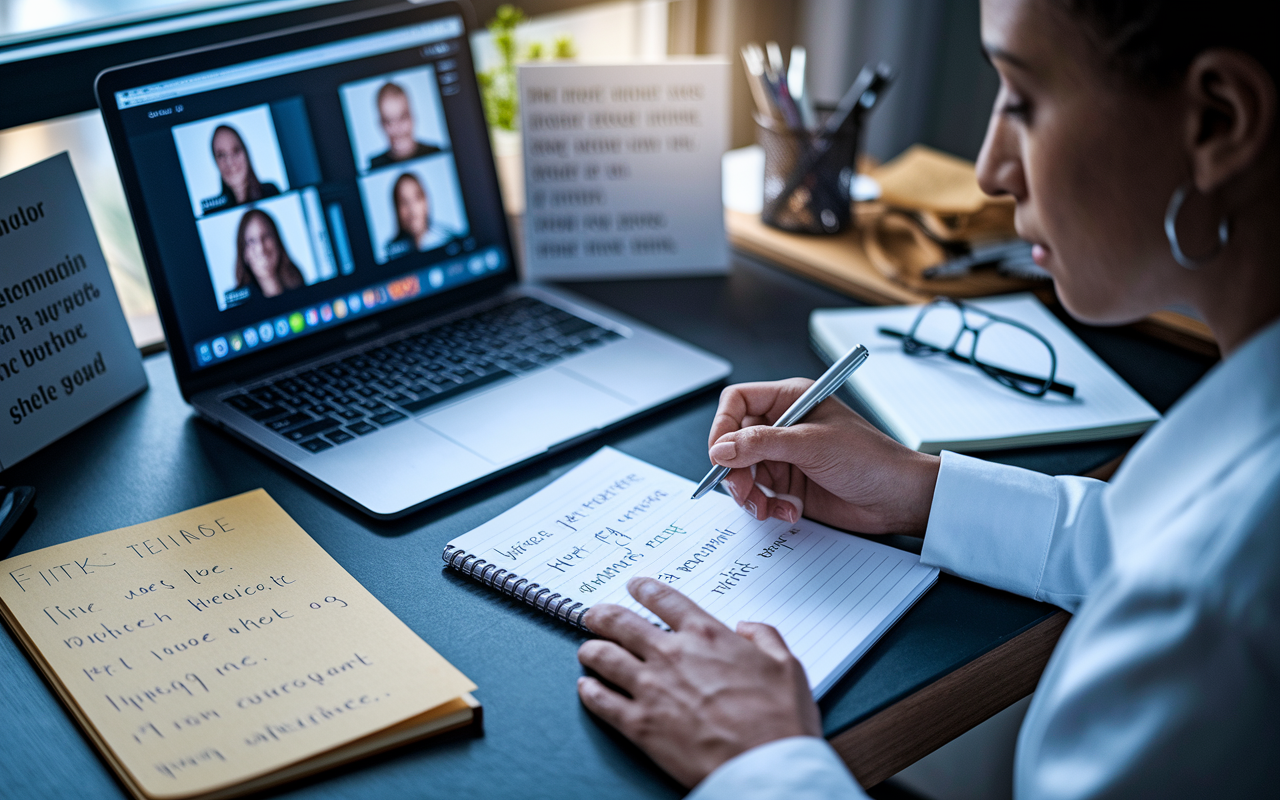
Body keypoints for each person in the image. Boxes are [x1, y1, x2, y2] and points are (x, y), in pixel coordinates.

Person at [575, 0, 1280, 797]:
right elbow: (1135, 541)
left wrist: (762, 764)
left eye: (1021, 99)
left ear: (1217, 122)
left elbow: (1188, 570)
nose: (988, 169)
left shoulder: (1220, 603)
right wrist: (916, 491)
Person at [201, 125, 280, 215]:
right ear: (215, 161)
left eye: (236, 151)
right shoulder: (212, 210)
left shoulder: (271, 191)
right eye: (221, 155)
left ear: (245, 153)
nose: (230, 162)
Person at [369, 82, 442, 169]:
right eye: (388, 121)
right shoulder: (376, 165)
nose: (397, 128)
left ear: (413, 117)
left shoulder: (435, 152)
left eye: (402, 117)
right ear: (380, 125)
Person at [233, 209, 304, 299]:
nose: (261, 249)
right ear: (244, 253)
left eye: (266, 236)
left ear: (277, 241)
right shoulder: (240, 304)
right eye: (251, 241)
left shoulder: (299, 286)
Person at [386, 172, 452, 258]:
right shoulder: (391, 253)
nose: (411, 208)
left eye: (417, 198)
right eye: (404, 202)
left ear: (426, 202)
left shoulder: (448, 240)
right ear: (396, 209)